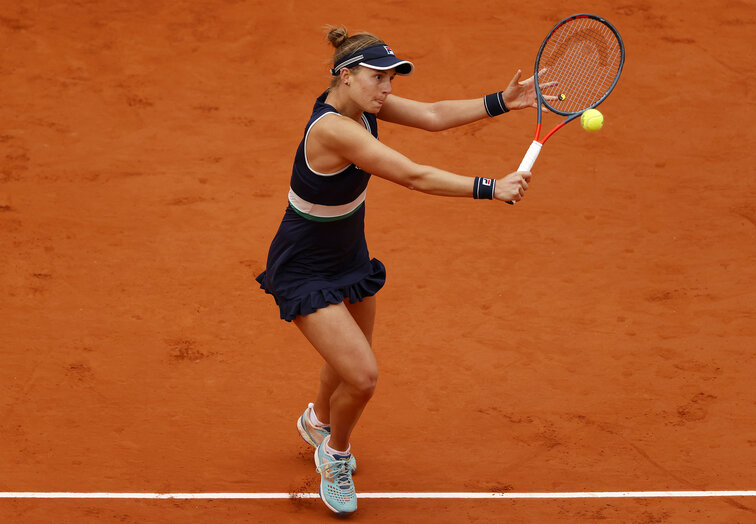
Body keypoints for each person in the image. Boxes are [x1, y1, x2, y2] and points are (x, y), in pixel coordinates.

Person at [256, 26, 541, 515]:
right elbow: (412, 174)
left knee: (349, 361)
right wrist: (488, 187)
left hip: (347, 255)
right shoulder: (333, 129)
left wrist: (500, 101)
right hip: (304, 267)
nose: (387, 89)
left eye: (392, 79)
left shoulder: (364, 108)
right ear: (346, 76)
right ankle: (335, 454)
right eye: (378, 78)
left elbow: (432, 115)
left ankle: (318, 421)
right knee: (363, 377)